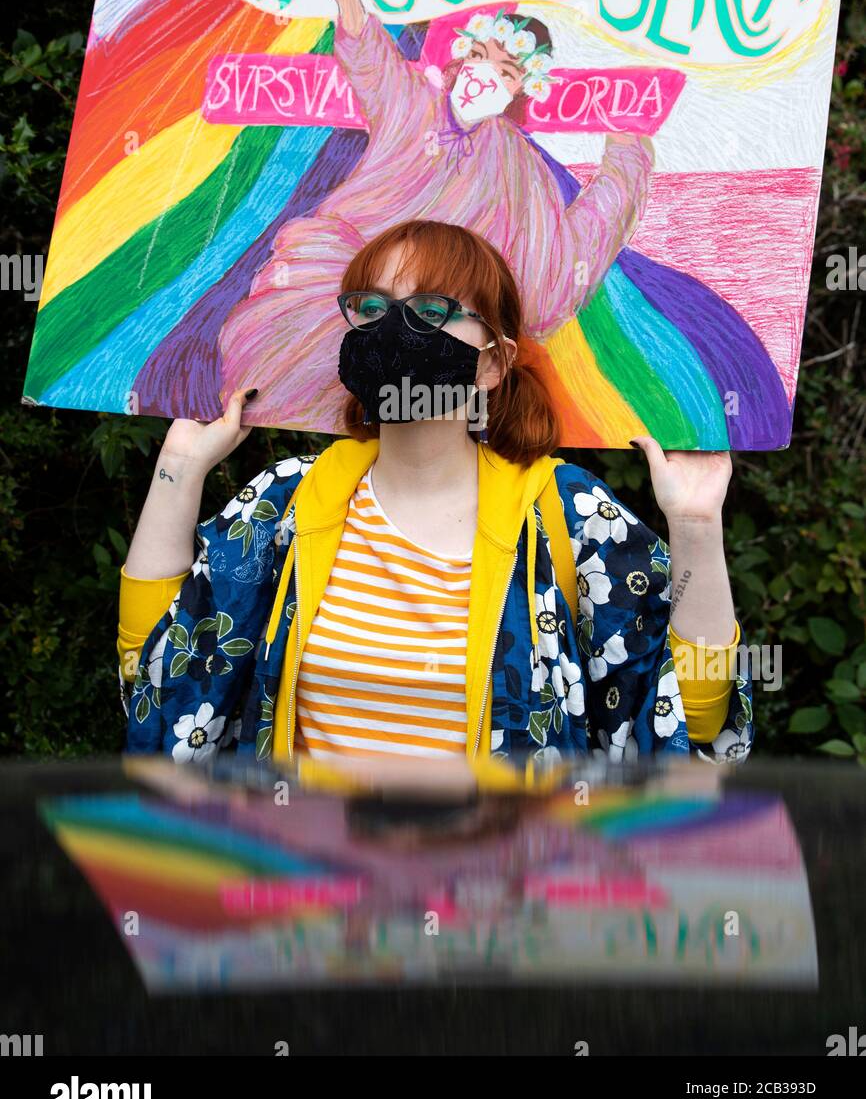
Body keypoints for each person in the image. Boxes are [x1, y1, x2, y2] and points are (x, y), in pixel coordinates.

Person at [119, 219, 753, 779]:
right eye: (372, 305)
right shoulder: (289, 501)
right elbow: (155, 678)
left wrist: (695, 523)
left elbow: (693, 720)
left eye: (433, 308)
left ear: (491, 365)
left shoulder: (568, 515)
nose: (396, 327)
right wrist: (179, 466)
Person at [216, 0, 655, 432]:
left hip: (434, 326)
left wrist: (627, 152)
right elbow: (373, 64)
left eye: (506, 71)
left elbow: (550, 268)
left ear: (519, 89)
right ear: (464, 56)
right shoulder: (415, 103)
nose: (485, 75)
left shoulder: (519, 167)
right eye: (480, 56)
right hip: (340, 288)